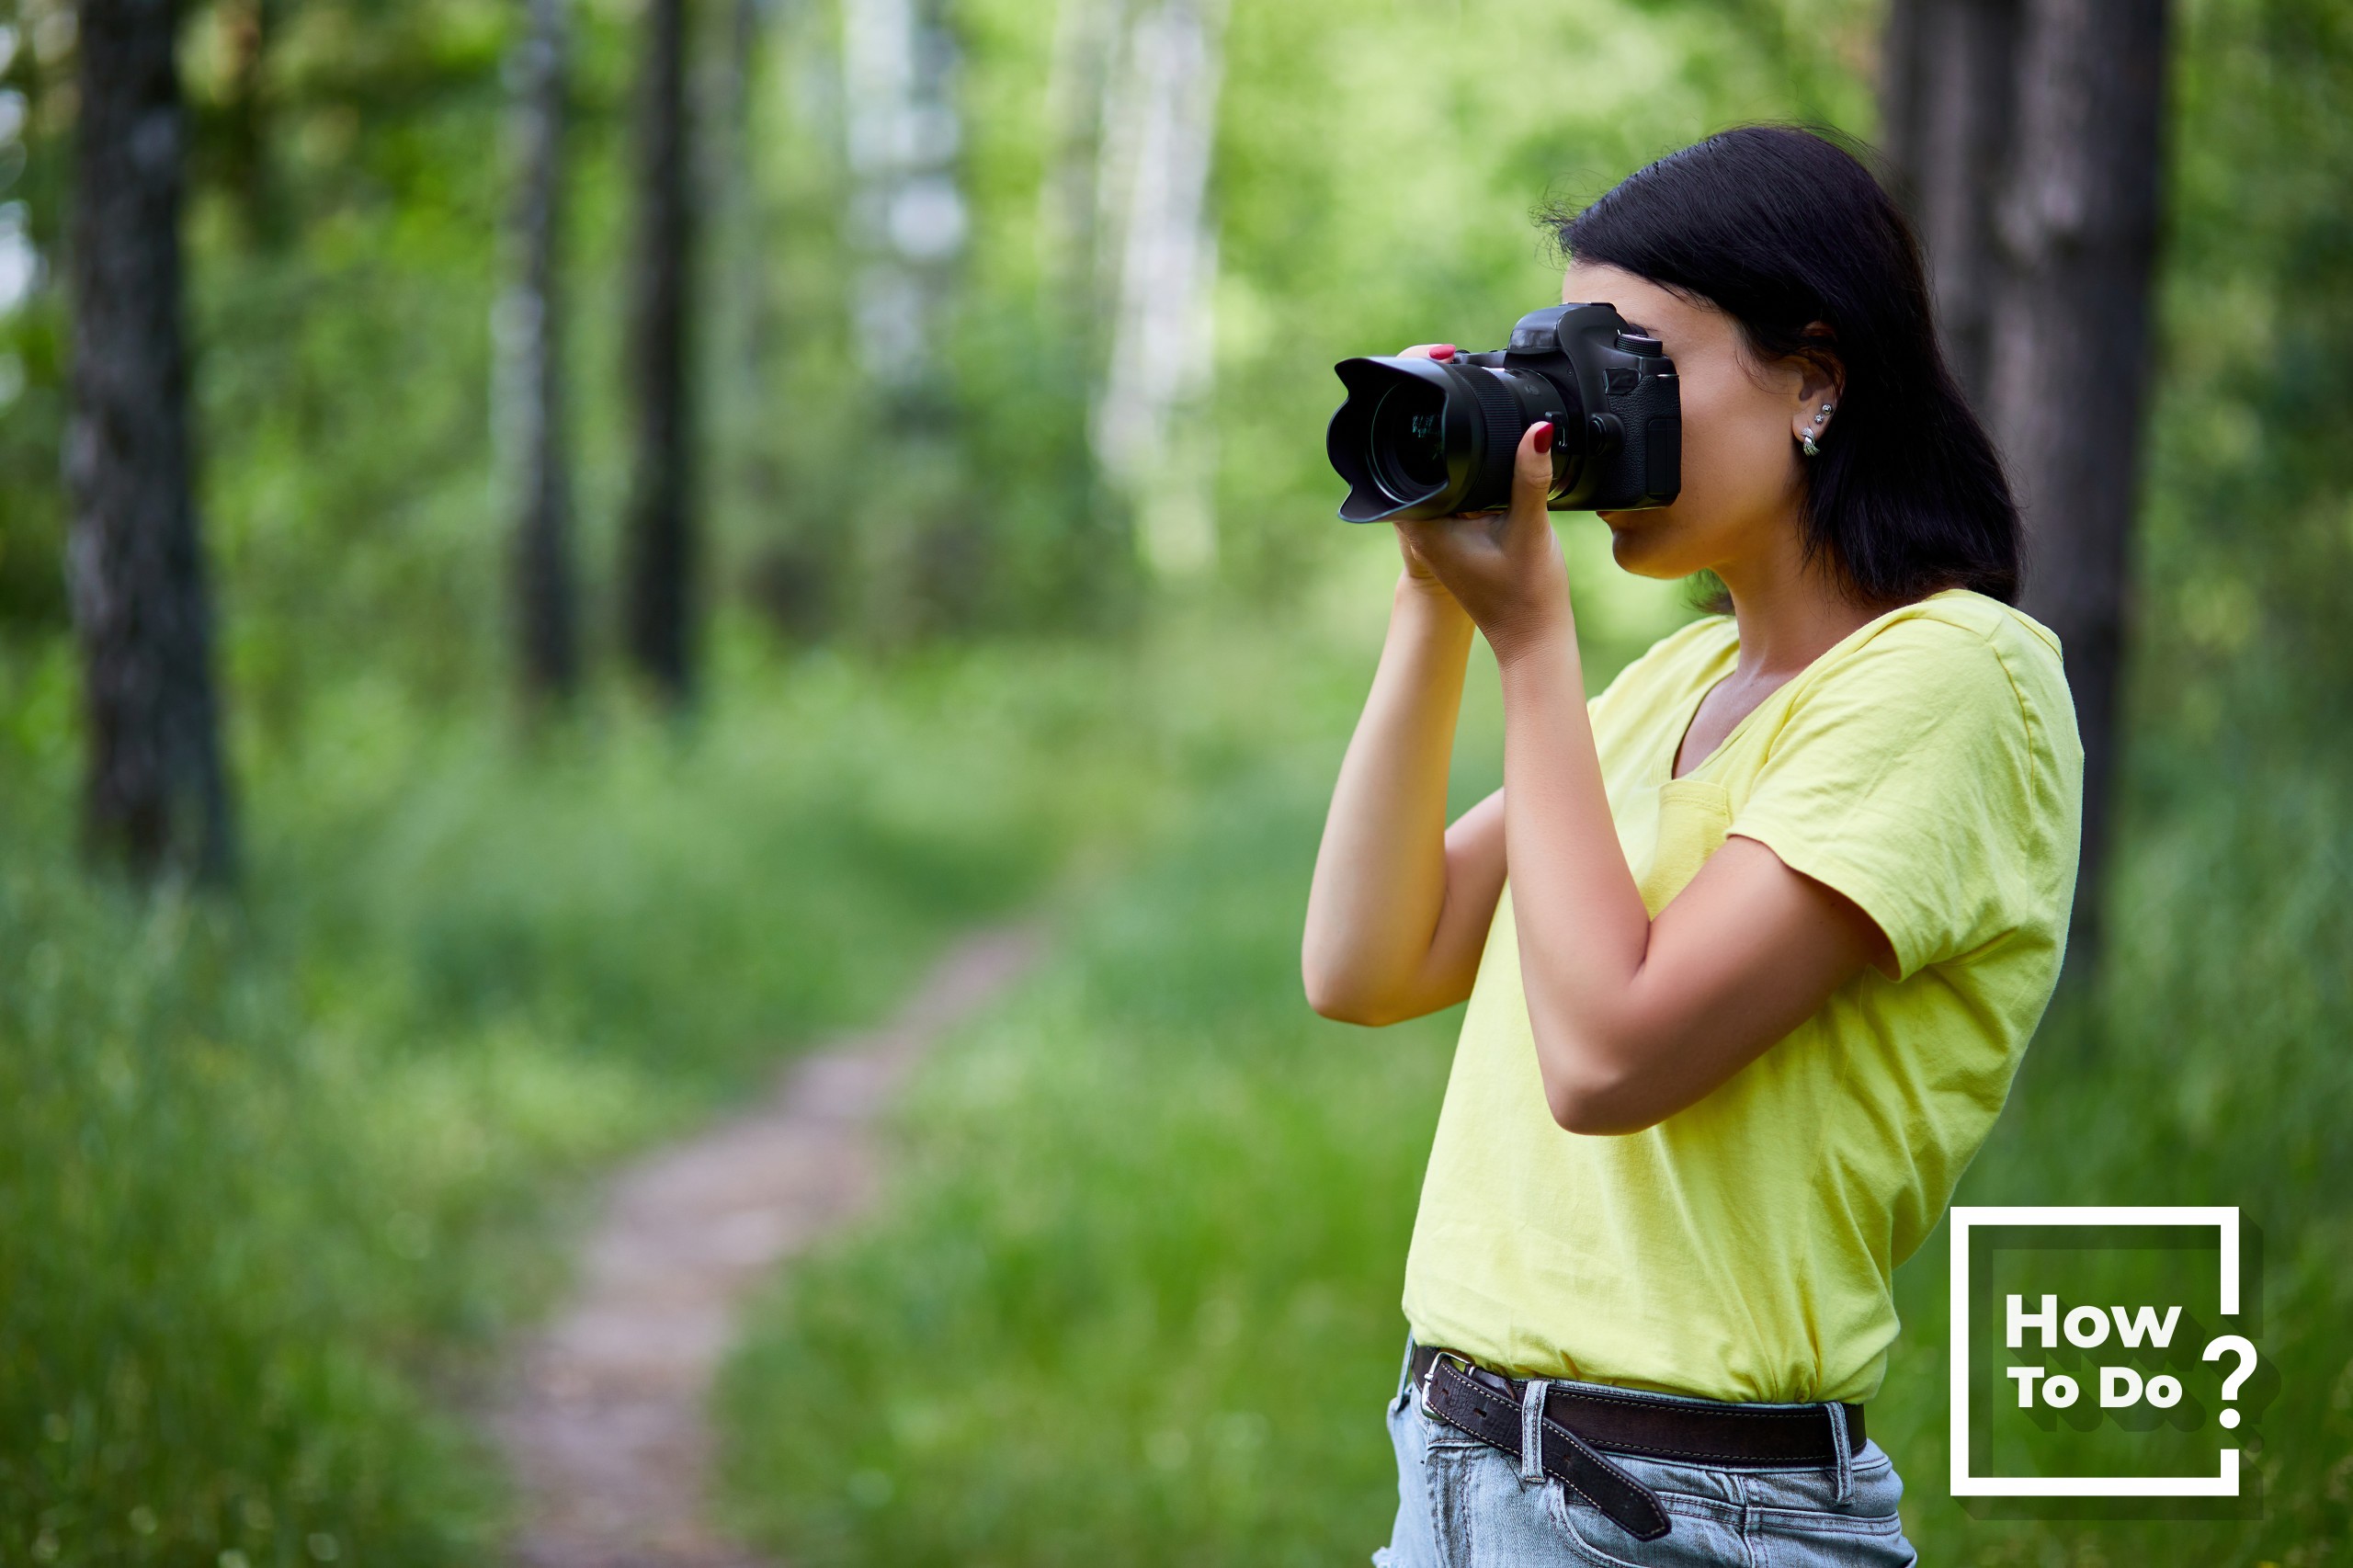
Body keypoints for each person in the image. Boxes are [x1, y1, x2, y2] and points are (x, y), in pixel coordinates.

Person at [1301, 125, 2084, 1567]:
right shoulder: (1673, 685)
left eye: (1636, 364)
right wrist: (1436, 592)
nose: (1590, 423)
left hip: (1690, 1518)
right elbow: (1366, 958)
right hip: (1458, 1472)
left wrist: (1533, 639)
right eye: (1566, 366)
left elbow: (1610, 1058)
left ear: (1815, 379)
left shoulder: (1957, 680)